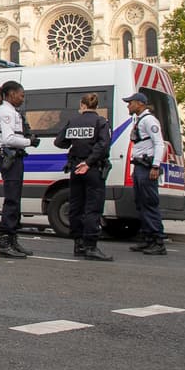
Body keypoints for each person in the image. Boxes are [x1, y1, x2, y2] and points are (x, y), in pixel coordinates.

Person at [53, 93, 113, 261]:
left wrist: (76, 146)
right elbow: (104, 146)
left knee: (76, 207)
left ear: (82, 105)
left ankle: (78, 244)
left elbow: (59, 142)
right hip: (92, 169)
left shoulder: (73, 121)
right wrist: (89, 162)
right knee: (93, 207)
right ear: (96, 106)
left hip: (76, 168)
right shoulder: (101, 122)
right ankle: (90, 246)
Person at [0, 80, 40, 259]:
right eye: (21, 95)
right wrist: (29, 142)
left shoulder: (12, 111)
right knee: (11, 200)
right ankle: (5, 243)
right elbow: (8, 138)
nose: (22, 98)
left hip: (15, 157)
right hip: (9, 157)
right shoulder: (6, 112)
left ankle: (13, 240)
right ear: (12, 94)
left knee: (15, 200)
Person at [124, 91, 167, 256]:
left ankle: (158, 241)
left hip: (147, 168)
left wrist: (155, 166)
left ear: (140, 104)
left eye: (131, 103)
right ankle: (148, 238)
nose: (128, 106)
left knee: (149, 204)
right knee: (141, 203)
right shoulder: (140, 120)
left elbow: (159, 144)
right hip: (140, 167)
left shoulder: (149, 120)